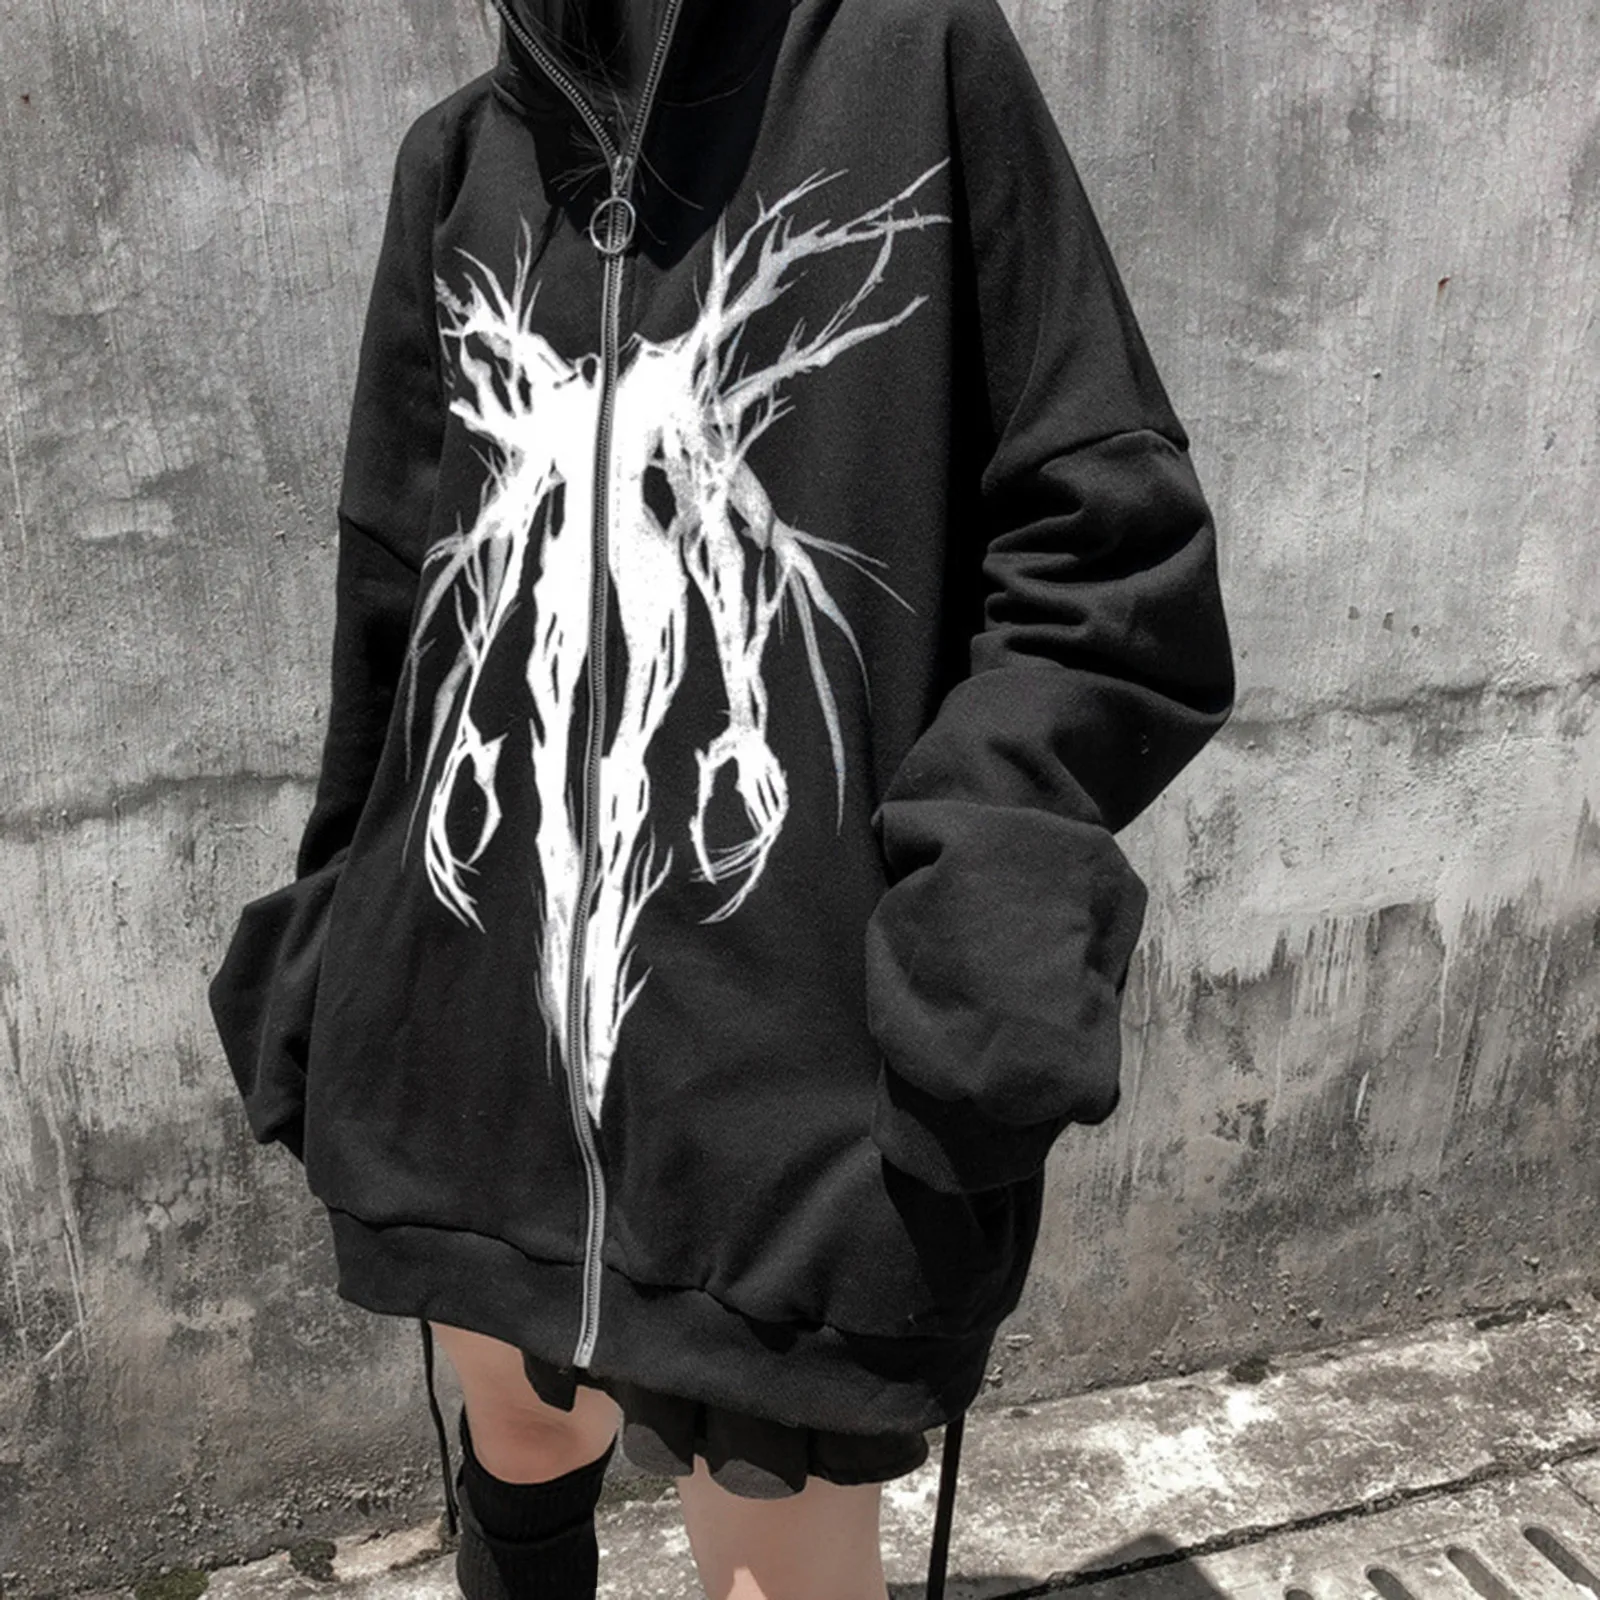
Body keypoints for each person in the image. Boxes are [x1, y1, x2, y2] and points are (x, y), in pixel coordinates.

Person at [208, 0, 1235, 1594]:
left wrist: (983, 881)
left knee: (776, 1561)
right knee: (519, 1439)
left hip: (793, 1110)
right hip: (466, 1061)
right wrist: (340, 940)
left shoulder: (919, 64)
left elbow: (1113, 549)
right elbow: (394, 611)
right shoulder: (458, 166)